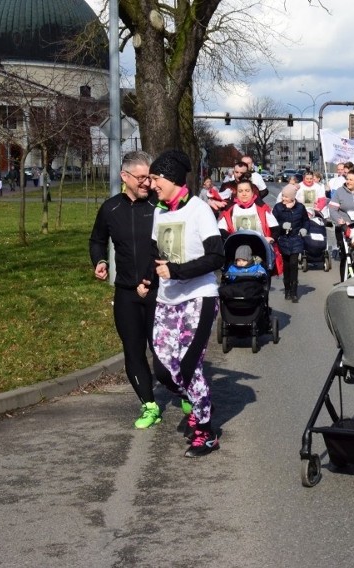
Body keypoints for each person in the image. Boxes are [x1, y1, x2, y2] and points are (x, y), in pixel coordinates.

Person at [142, 149, 225, 458]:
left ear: (171, 178)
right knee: (164, 370)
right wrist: (147, 277)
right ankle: (201, 398)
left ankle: (206, 431)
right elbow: (154, 251)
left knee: (188, 367)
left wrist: (176, 271)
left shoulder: (199, 210)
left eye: (155, 179)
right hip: (166, 300)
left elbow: (217, 257)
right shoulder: (160, 211)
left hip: (198, 298)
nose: (151, 185)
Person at [88, 150, 163, 429]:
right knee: (133, 350)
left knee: (163, 350)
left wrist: (154, 279)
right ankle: (149, 404)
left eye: (150, 177)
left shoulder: (160, 206)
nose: (147, 183)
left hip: (158, 290)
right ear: (125, 177)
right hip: (126, 293)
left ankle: (184, 390)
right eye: (142, 177)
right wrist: (100, 261)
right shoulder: (111, 209)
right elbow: (96, 240)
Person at [218, 179, 284, 274]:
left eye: (247, 191)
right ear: (236, 193)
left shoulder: (262, 208)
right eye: (240, 191)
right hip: (237, 250)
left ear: (253, 192)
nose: (244, 194)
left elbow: (276, 229)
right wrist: (231, 239)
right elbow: (221, 229)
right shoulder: (230, 210)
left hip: (259, 249)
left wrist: (271, 238)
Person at [273, 184, 308, 301]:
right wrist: (281, 226)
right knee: (286, 265)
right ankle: (287, 289)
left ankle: (294, 291)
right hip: (283, 239)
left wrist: (305, 229)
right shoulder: (278, 208)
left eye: (286, 197)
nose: (283, 198)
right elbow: (272, 223)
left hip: (296, 238)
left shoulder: (300, 208)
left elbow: (306, 221)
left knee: (293, 264)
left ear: (293, 197)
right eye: (283, 196)